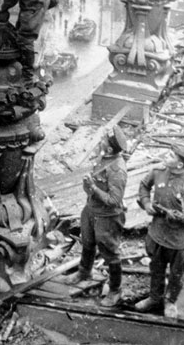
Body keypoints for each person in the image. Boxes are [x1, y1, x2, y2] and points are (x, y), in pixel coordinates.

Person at [135, 143, 184, 319]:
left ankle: (170, 301)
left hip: (180, 240)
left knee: (176, 274)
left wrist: (183, 217)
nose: (165, 156)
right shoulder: (157, 173)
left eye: (171, 155)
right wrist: (146, 203)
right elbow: (144, 186)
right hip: (158, 233)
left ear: (180, 164)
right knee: (156, 269)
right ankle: (154, 298)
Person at [70, 126, 128, 308]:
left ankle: (115, 290)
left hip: (108, 217)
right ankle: (84, 272)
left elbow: (114, 200)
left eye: (104, 139)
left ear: (110, 149)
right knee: (87, 241)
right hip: (91, 210)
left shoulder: (117, 169)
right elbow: (92, 186)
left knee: (110, 253)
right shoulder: (103, 157)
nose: (100, 140)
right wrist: (88, 185)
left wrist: (93, 189)